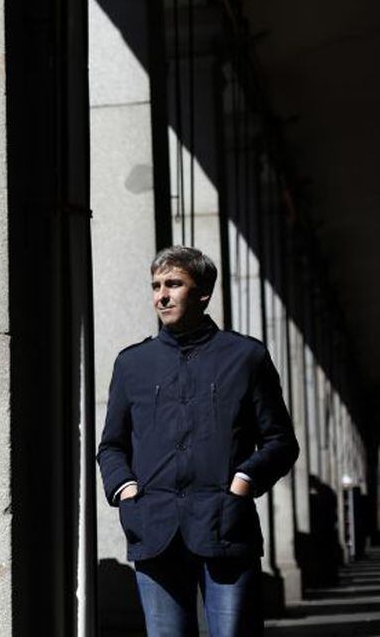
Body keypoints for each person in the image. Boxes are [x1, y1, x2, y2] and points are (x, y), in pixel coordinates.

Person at [97, 246, 299, 636]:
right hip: (153, 528)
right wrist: (126, 490)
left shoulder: (247, 357)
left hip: (225, 525)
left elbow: (280, 441)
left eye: (174, 284)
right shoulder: (131, 363)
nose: (162, 295)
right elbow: (112, 445)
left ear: (203, 292)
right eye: (156, 285)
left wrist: (244, 482)